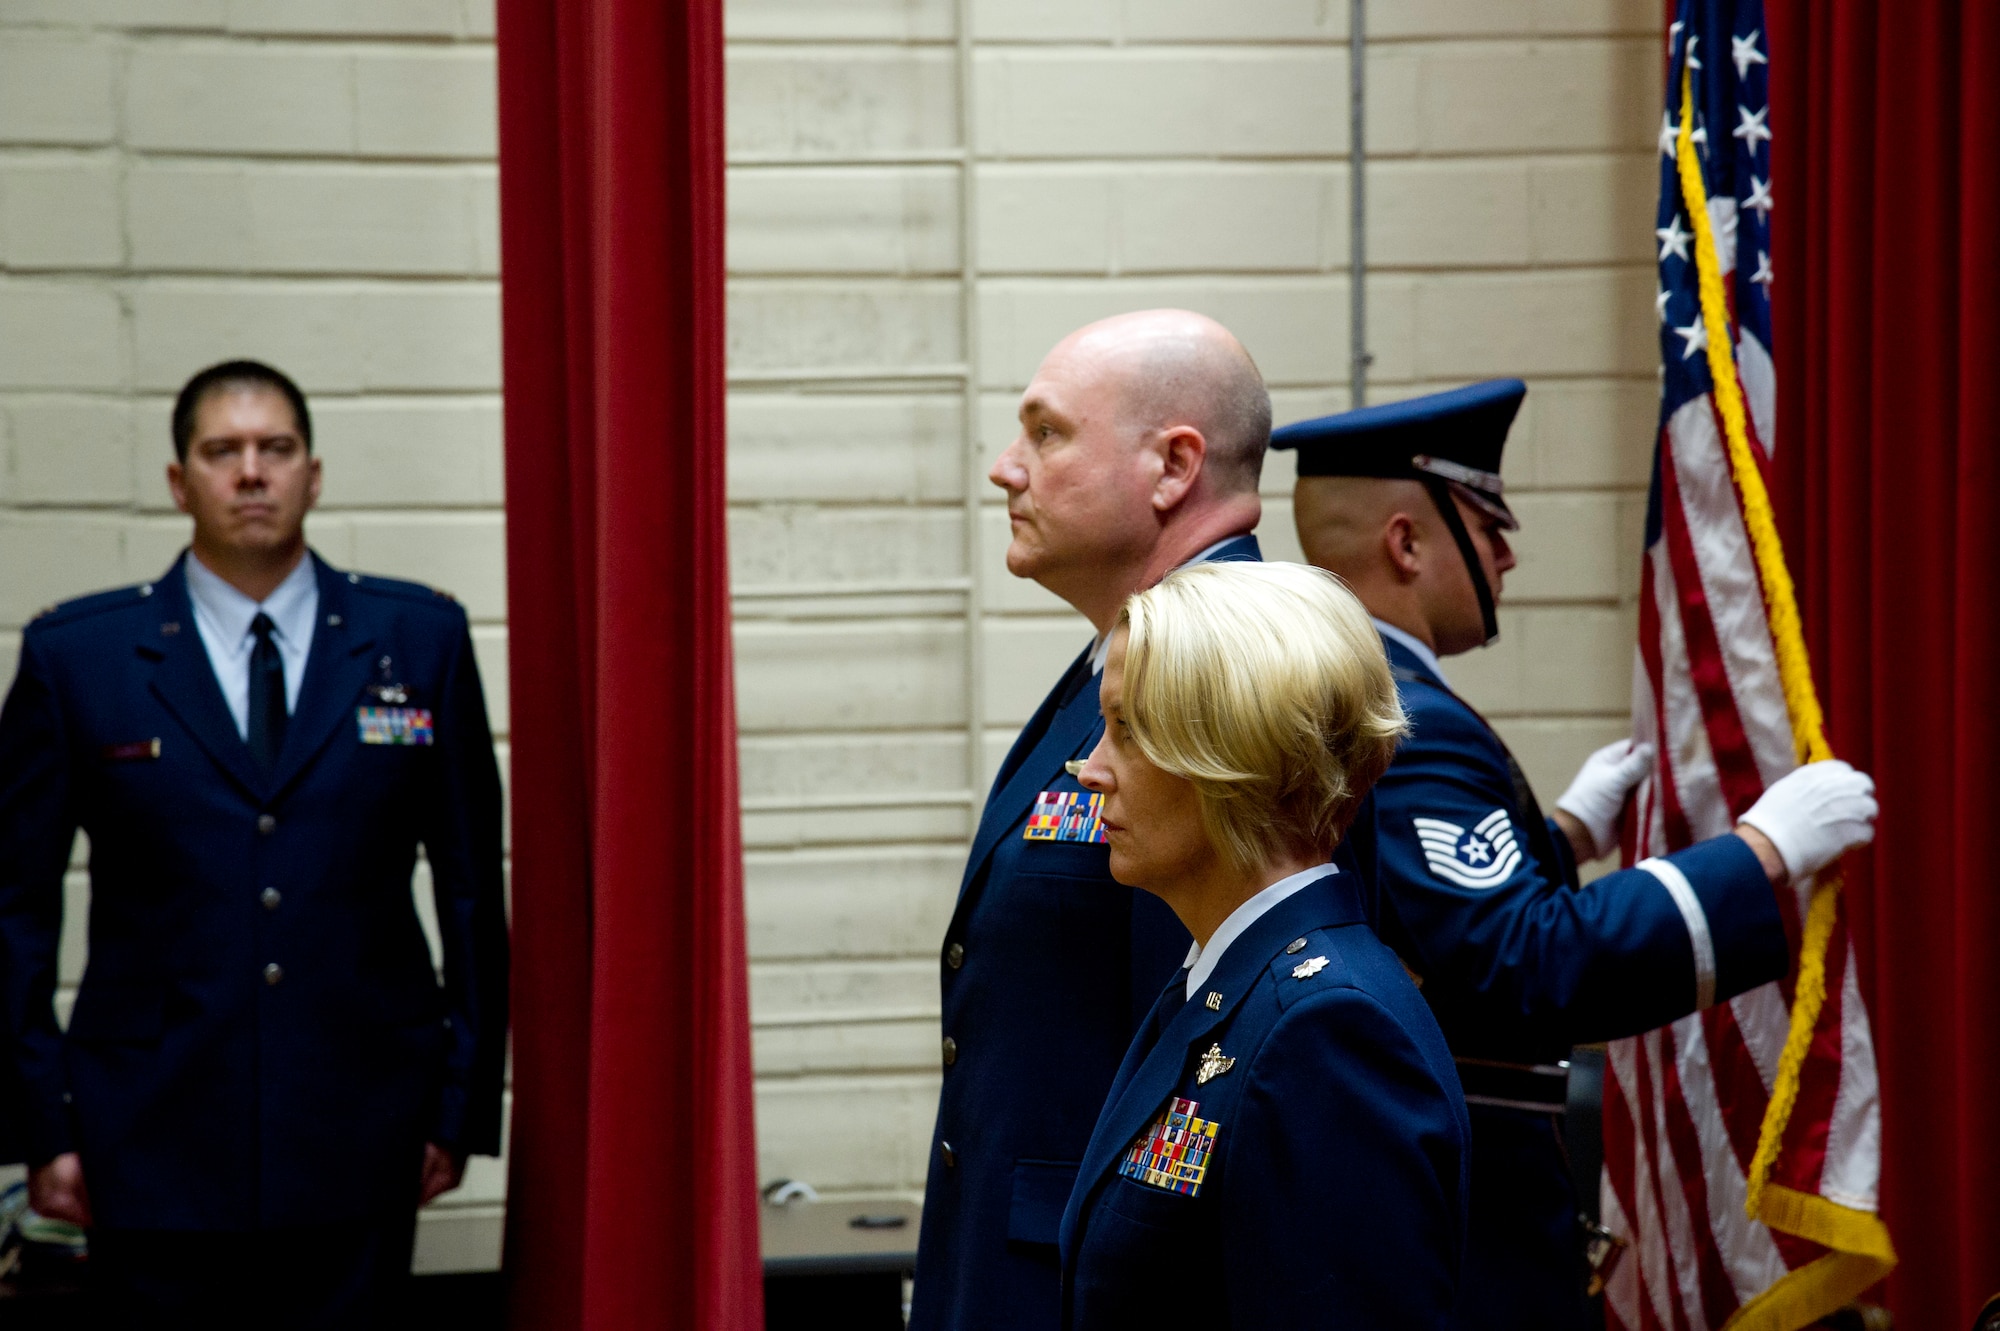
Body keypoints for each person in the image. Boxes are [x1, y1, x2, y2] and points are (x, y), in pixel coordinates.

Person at [1279, 379, 1879, 1331]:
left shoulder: (1350, 695)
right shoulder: (1407, 720)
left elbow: (1432, 932)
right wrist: (1758, 851)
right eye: (1487, 525)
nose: (1508, 554)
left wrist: (1560, 839)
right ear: (1406, 542)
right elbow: (1524, 965)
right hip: (1465, 1219)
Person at [0, 360, 510, 1327]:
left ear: (313, 474)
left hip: (361, 1122)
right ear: (177, 479)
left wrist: (459, 1106)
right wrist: (43, 1125)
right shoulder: (82, 657)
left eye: (274, 449)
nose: (250, 472)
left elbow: (472, 891)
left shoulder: (419, 639)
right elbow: (13, 909)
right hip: (147, 1132)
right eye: (221, 451)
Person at [912, 309, 1346, 1331]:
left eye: (1047, 432)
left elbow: (1217, 1044)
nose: (1003, 468)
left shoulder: (1236, 682)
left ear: (1171, 464)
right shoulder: (1121, 661)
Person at [1061, 560, 1466, 1329]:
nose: (1092, 770)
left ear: (1231, 753)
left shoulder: (1325, 1034)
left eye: (1127, 729)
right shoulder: (1226, 987)